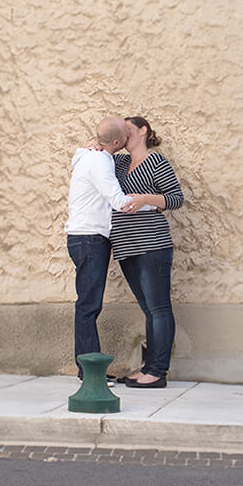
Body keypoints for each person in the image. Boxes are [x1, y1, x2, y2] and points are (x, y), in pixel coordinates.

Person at [64, 117, 153, 380]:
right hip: (89, 238)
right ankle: (89, 374)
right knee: (88, 306)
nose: (129, 137)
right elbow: (118, 201)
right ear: (117, 142)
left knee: (89, 304)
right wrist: (153, 204)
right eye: (126, 134)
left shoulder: (93, 155)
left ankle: (89, 370)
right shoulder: (100, 162)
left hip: (86, 237)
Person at [110, 117, 184, 389]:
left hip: (152, 243)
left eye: (128, 129)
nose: (124, 134)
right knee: (148, 309)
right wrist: (94, 144)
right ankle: (149, 367)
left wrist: (145, 199)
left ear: (143, 131)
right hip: (126, 246)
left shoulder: (157, 162)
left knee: (159, 308)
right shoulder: (117, 163)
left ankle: (157, 372)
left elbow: (176, 198)